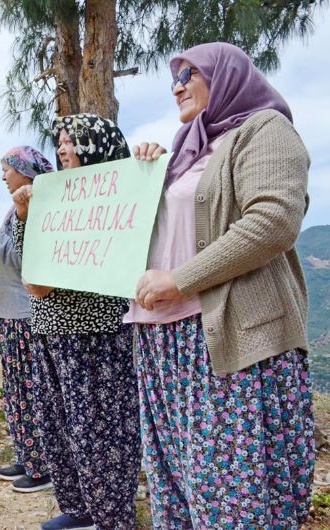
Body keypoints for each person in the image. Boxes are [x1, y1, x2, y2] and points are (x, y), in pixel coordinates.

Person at [129, 43, 313, 529]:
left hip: (225, 340)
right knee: (178, 485)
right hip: (161, 338)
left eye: (191, 73)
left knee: (233, 497)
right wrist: (143, 175)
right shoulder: (184, 151)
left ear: (226, 75)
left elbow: (273, 221)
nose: (178, 85)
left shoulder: (264, 130)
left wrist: (181, 280)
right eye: (174, 77)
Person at [12, 114, 140, 530]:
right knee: (59, 426)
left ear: (96, 147)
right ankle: (79, 507)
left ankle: (111, 517)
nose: (63, 148)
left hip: (96, 332)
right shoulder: (48, 197)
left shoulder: (120, 193)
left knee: (98, 431)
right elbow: (27, 266)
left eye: (72, 141)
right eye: (60, 141)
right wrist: (24, 215)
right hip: (51, 330)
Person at [0, 146, 51, 493]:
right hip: (8, 315)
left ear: (24, 170)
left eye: (7, 170)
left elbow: (19, 259)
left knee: (29, 390)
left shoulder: (36, 206)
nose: (3, 177)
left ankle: (40, 463)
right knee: (16, 390)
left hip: (22, 314)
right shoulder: (17, 208)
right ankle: (26, 453)